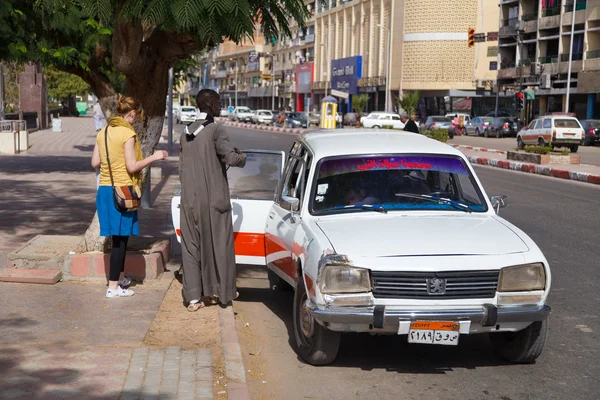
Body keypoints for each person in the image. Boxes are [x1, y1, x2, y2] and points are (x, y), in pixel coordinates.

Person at [91, 95, 168, 298]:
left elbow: (94, 162)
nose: (136, 121)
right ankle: (113, 288)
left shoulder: (103, 131)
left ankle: (121, 278)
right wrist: (154, 156)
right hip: (122, 192)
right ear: (131, 113)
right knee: (119, 241)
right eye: (136, 117)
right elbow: (132, 166)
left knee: (119, 238)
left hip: (106, 191)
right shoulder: (127, 133)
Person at [179, 89, 247, 311]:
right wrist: (242, 157)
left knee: (191, 248)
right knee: (219, 246)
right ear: (209, 104)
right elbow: (230, 157)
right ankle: (223, 293)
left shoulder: (186, 132)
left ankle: (192, 298)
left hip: (188, 199)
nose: (220, 106)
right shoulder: (216, 129)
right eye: (218, 102)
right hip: (213, 201)